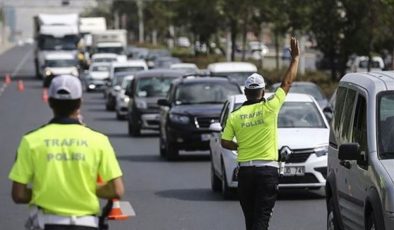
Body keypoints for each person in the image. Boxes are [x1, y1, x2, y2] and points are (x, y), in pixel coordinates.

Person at [9, 75, 125, 230]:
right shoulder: (99, 141)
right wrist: (84, 188)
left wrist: (45, 191)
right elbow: (117, 190)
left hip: (46, 223)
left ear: (50, 102)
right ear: (80, 103)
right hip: (87, 224)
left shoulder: (31, 141)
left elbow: (18, 194)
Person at [221, 37, 300, 230]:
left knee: (251, 220)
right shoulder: (270, 107)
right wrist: (295, 59)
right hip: (267, 172)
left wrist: (239, 146)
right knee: (261, 219)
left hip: (246, 173)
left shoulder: (235, 115)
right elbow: (287, 83)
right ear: (263, 92)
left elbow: (224, 142)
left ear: (246, 93)